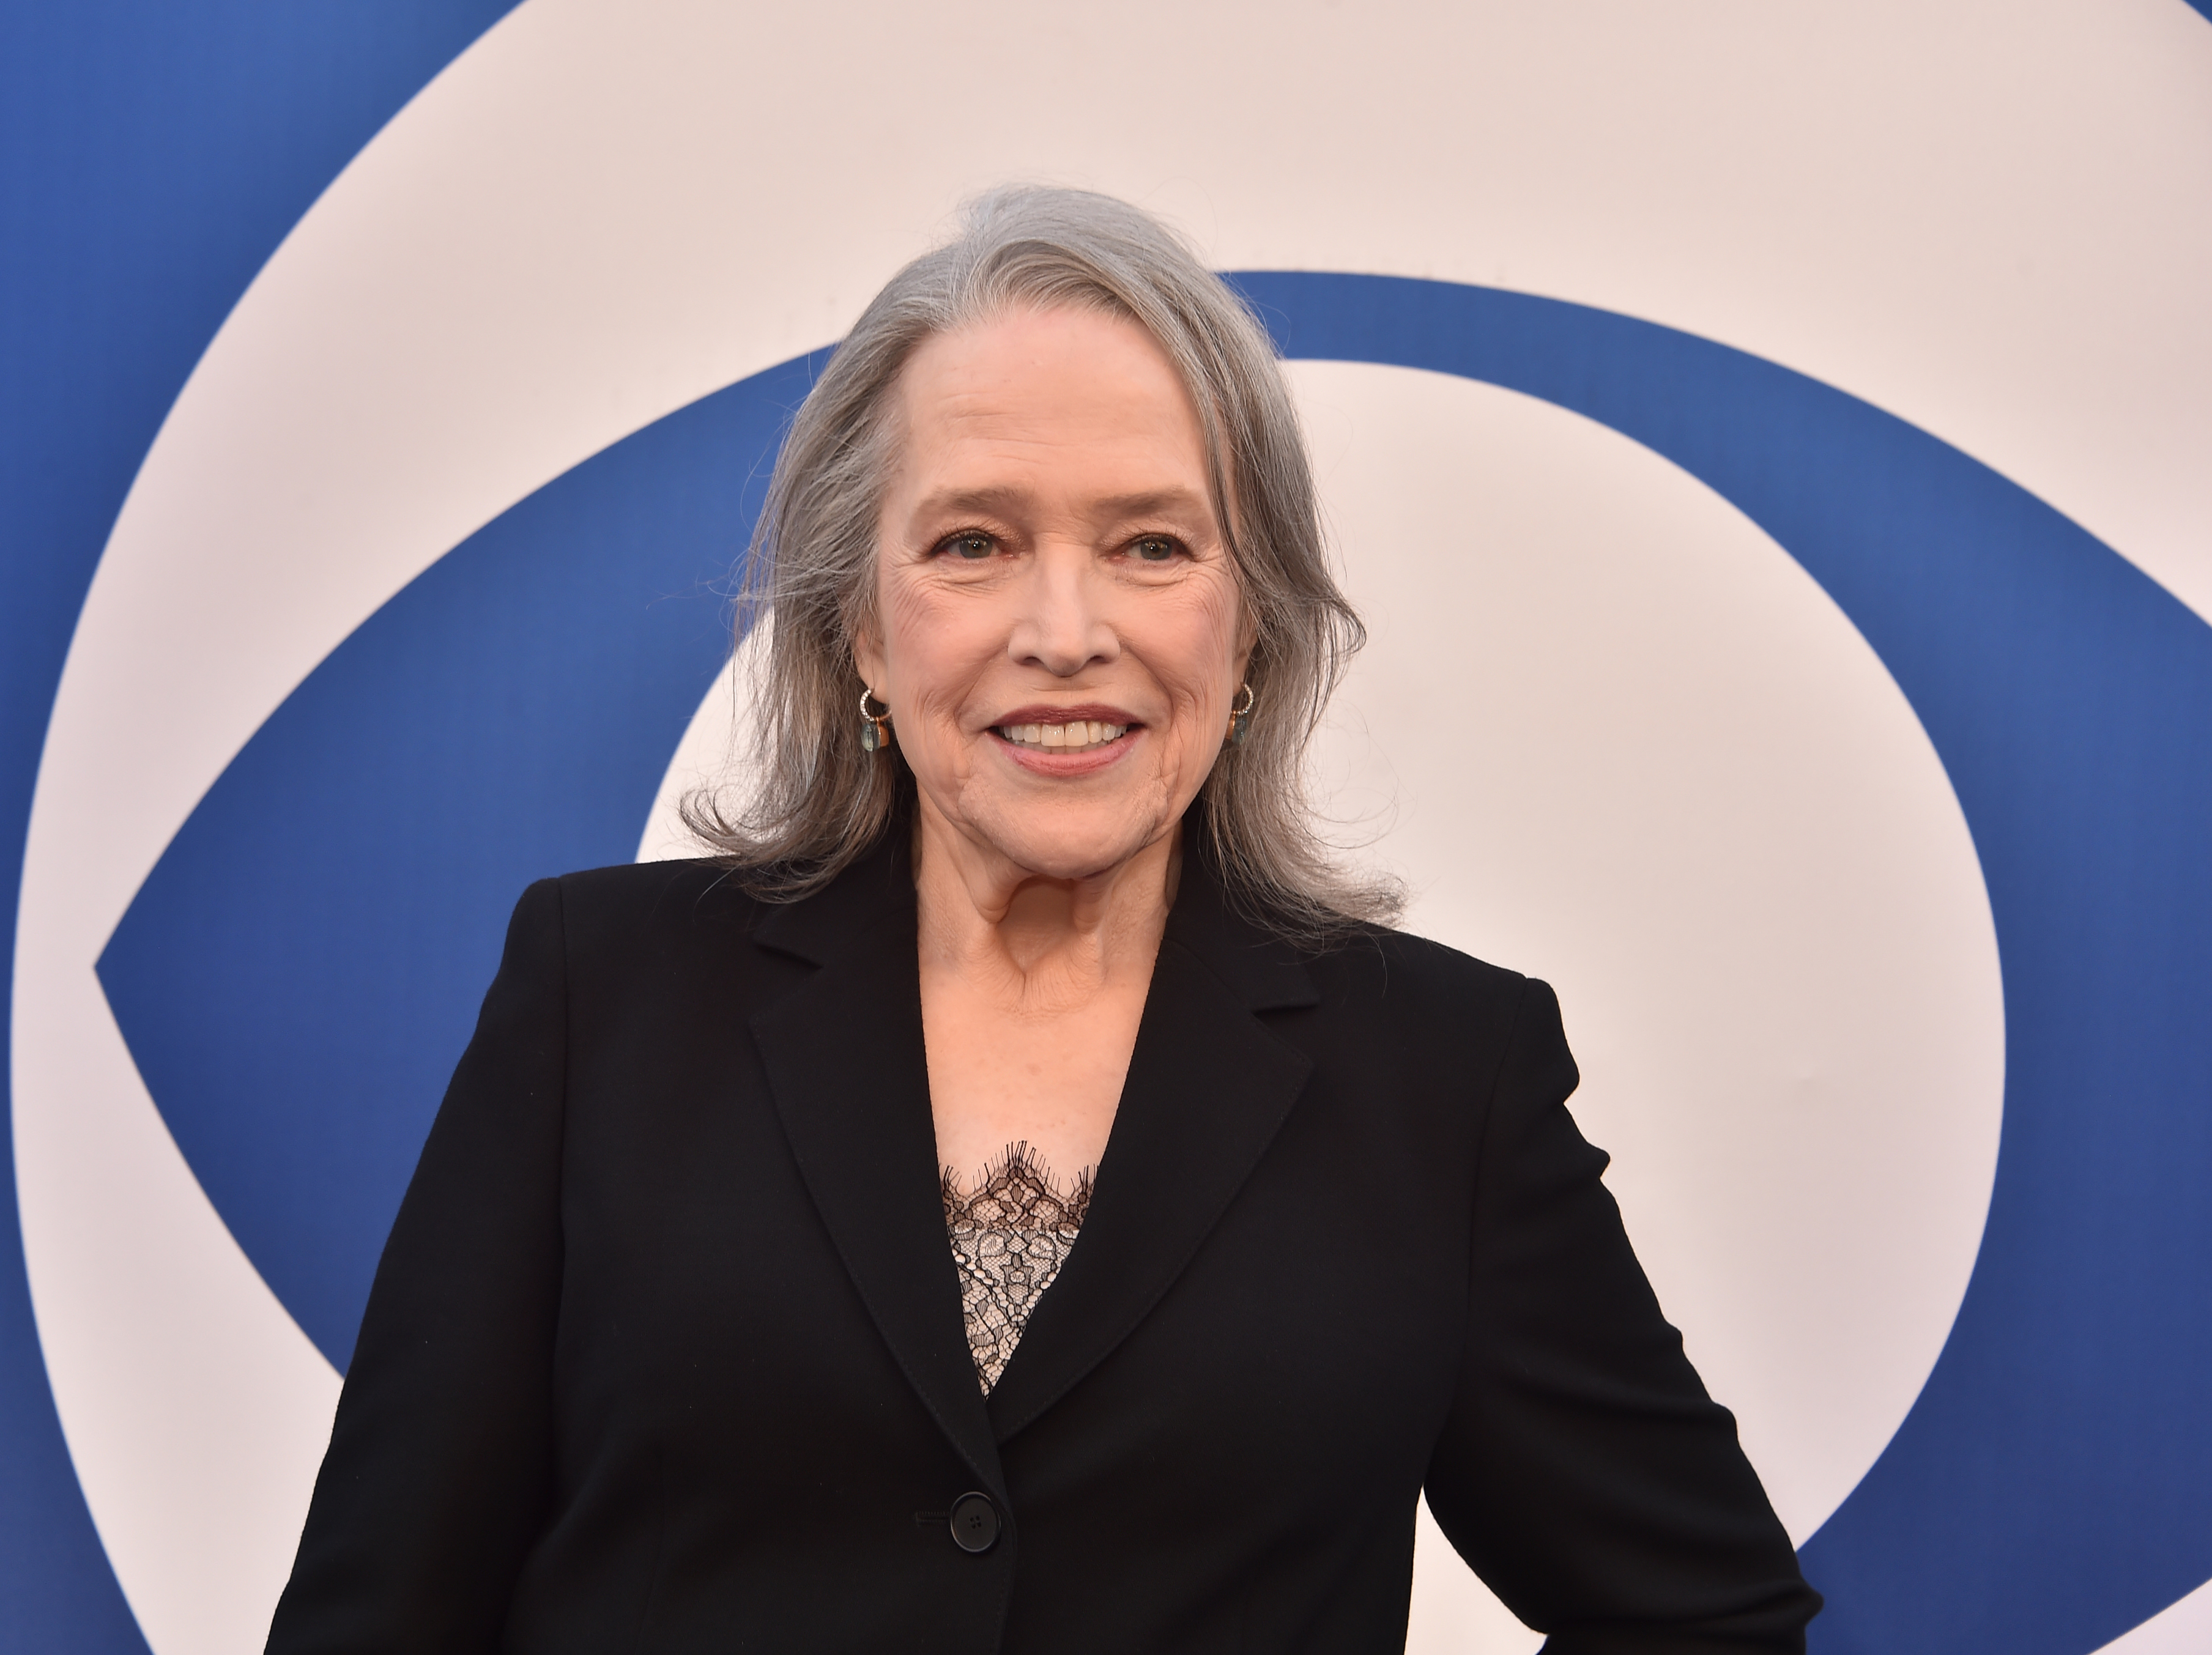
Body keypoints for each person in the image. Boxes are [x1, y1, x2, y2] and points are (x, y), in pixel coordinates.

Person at [264, 187, 1819, 1653]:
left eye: (1151, 545)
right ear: (860, 626)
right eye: (971, 544)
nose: (1064, 634)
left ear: (1249, 618)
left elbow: (1702, 1620)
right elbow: (375, 1620)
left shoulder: (1444, 1080)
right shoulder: (597, 997)